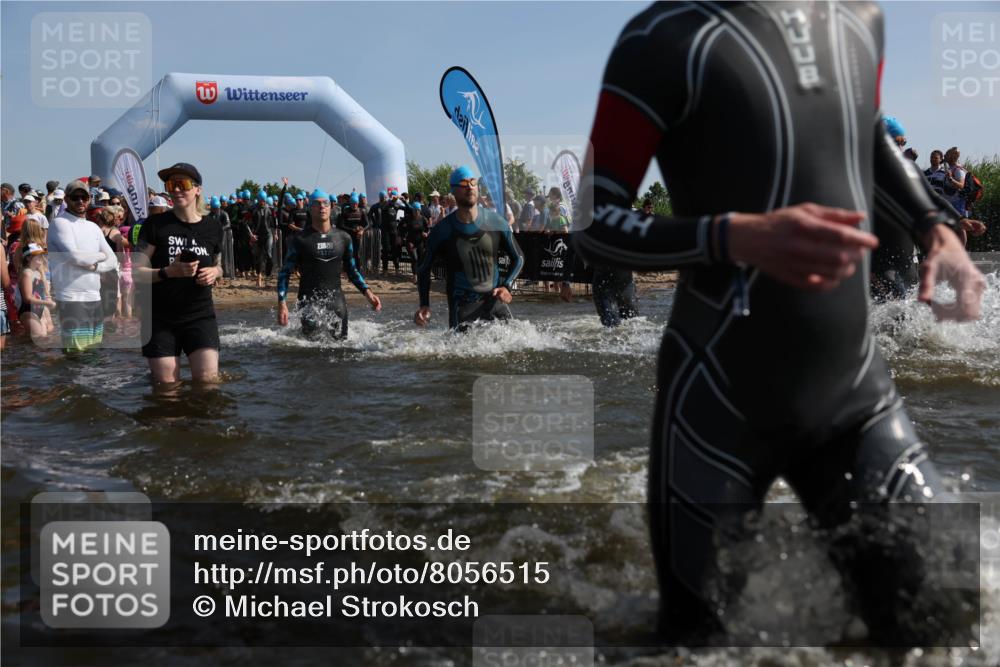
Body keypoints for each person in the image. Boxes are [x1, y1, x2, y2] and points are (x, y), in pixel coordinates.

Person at [573, 1, 986, 645]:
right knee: (694, 645)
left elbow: (869, 132)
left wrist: (937, 225)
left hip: (855, 396)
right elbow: (594, 221)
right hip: (716, 400)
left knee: (943, 620)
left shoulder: (861, 20)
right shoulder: (662, 38)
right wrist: (735, 235)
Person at [134, 162, 223, 384]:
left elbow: (220, 265)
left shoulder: (213, 227)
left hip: (200, 314)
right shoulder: (156, 225)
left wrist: (215, 272)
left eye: (181, 184)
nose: (175, 190)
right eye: (171, 184)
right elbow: (136, 273)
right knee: (167, 389)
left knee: (208, 382)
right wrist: (168, 272)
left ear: (197, 189)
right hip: (160, 317)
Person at [414, 166, 524, 331]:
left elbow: (519, 258)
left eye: (473, 182)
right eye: (464, 184)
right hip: (462, 308)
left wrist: (506, 286)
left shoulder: (496, 222)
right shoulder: (442, 231)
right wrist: (424, 304)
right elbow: (424, 269)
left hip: (495, 301)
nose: (470, 187)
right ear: (453, 191)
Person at [277, 189, 381, 339]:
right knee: (308, 350)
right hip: (309, 304)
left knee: (342, 349)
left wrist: (368, 293)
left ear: (330, 207)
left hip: (336, 303)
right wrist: (282, 303)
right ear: (310, 208)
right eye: (317, 204)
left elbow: (352, 270)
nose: (322, 207)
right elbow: (285, 272)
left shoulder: (343, 238)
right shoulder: (299, 239)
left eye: (325, 203)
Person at [47, 180, 118, 352]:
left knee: (93, 353)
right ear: (66, 199)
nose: (80, 201)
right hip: (71, 298)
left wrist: (95, 267)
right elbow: (75, 257)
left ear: (89, 198)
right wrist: (101, 256)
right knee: (77, 356)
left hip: (95, 297)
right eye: (75, 197)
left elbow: (114, 260)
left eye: (84, 197)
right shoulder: (60, 223)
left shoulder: (93, 227)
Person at [18, 243, 56, 339]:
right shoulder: (27, 273)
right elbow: (27, 298)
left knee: (46, 334)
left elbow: (42, 295)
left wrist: (47, 317)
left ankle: (19, 343)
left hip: (40, 309)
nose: (41, 257)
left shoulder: (38, 273)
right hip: (28, 311)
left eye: (42, 254)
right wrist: (47, 303)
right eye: (37, 255)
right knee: (39, 336)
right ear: (28, 258)